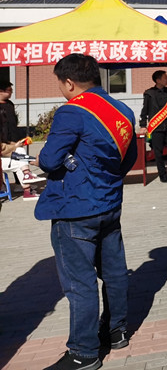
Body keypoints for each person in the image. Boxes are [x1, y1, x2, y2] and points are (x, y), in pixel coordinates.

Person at [34, 54, 137, 370]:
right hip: (110, 203)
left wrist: (64, 162)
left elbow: (49, 160)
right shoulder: (122, 110)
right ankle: (116, 330)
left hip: (75, 208)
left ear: (69, 82)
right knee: (114, 272)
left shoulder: (72, 111)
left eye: (60, 84)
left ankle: (83, 352)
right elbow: (128, 159)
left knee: (80, 283)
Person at [139, 70, 167, 182]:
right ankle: (162, 174)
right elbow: (145, 110)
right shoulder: (149, 93)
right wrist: (143, 125)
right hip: (156, 126)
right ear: (158, 80)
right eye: (165, 78)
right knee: (158, 152)